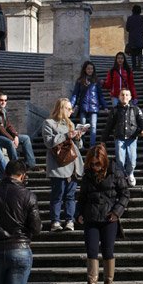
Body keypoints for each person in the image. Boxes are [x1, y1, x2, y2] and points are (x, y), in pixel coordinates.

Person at [76, 144, 129, 284]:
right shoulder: (87, 174)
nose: (94, 167)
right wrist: (79, 213)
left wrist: (116, 212)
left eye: (97, 164)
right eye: (92, 164)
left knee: (108, 251)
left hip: (109, 217)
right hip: (91, 216)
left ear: (104, 161)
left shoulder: (115, 171)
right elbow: (82, 197)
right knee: (91, 251)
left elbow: (125, 194)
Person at [42, 97, 85, 230]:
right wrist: (66, 135)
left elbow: (78, 146)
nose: (71, 111)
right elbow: (48, 142)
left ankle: (69, 220)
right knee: (57, 194)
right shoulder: (48, 123)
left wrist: (78, 138)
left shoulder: (70, 123)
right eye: (68, 108)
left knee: (71, 195)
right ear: (61, 108)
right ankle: (55, 221)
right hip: (58, 165)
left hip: (73, 164)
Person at [102, 86, 143, 186]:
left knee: (132, 159)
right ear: (119, 97)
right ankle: (122, 176)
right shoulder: (114, 110)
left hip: (132, 138)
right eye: (122, 95)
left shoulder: (135, 109)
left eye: (127, 95)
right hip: (119, 138)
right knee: (120, 159)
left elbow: (141, 120)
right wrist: (103, 140)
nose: (124, 97)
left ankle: (130, 173)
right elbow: (109, 125)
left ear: (130, 97)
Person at [0, 90, 38, 170]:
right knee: (10, 143)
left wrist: (15, 135)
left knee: (26, 138)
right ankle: (16, 168)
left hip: (4, 134)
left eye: (5, 100)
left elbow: (8, 125)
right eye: (1, 100)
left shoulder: (3, 110)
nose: (3, 102)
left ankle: (30, 164)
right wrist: (12, 139)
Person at [70, 60, 107, 145]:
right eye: (88, 69)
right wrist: (71, 105)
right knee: (82, 126)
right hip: (83, 106)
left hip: (94, 107)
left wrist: (105, 106)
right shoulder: (80, 81)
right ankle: (81, 143)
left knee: (93, 126)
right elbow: (75, 94)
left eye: (91, 69)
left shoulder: (96, 81)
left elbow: (100, 95)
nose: (90, 70)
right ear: (85, 70)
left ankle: (92, 145)